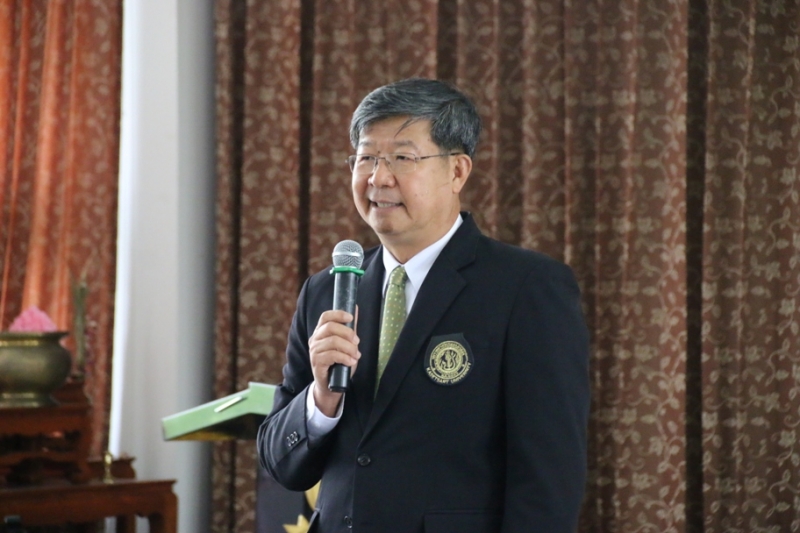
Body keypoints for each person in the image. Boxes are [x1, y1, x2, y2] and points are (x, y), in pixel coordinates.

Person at [258, 78, 590, 533]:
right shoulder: (326, 290)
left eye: (402, 158)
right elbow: (281, 465)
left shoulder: (526, 288)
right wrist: (321, 399)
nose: (378, 178)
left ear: (457, 171)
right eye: (366, 158)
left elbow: (549, 478)